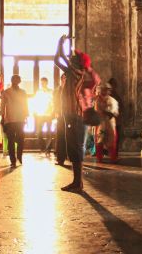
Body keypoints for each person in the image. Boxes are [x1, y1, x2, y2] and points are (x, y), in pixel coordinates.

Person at [54, 34, 100, 192]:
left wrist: (61, 43)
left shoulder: (76, 72)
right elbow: (56, 60)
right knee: (74, 149)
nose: (70, 60)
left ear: (77, 64)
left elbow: (59, 57)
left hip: (75, 117)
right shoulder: (72, 73)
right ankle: (77, 182)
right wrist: (60, 46)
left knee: (75, 148)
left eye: (73, 59)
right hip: (73, 116)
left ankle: (78, 183)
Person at [2, 75, 29, 167]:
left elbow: (25, 104)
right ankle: (12, 159)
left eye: (18, 80)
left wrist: (26, 115)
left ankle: (19, 156)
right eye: (14, 80)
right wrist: (2, 118)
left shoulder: (23, 92)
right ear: (12, 81)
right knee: (11, 140)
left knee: (21, 139)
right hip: (10, 119)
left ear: (20, 81)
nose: (16, 81)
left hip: (20, 118)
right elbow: (2, 106)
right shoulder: (6, 92)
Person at [94, 83, 120, 163]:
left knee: (112, 141)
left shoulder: (113, 100)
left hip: (110, 123)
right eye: (104, 90)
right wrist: (105, 112)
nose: (105, 91)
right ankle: (99, 158)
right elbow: (97, 111)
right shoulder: (97, 100)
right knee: (99, 140)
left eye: (107, 90)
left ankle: (113, 158)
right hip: (101, 123)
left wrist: (111, 113)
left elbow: (115, 112)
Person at [32, 77, 53, 150]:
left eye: (43, 82)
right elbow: (36, 102)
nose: (42, 84)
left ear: (46, 83)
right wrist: (35, 110)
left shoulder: (51, 91)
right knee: (39, 131)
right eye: (41, 83)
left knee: (49, 132)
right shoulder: (39, 92)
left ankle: (48, 147)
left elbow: (53, 102)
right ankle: (43, 145)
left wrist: (52, 110)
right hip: (40, 113)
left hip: (48, 114)